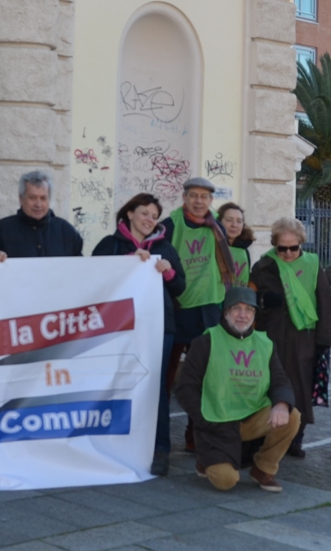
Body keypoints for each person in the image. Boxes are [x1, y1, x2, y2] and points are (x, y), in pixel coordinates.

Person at [92, 193, 187, 475]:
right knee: (117, 384)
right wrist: (128, 263)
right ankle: (112, 445)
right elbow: (94, 278)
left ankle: (160, 449)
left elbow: (180, 287)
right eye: (144, 213)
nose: (149, 220)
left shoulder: (166, 248)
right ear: (130, 213)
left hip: (159, 327)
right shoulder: (109, 245)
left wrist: (168, 272)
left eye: (154, 216)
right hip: (117, 328)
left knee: (155, 388)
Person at [173, 287, 300, 492]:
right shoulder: (205, 342)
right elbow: (185, 389)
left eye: (249, 309)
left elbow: (280, 380)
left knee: (292, 415)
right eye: (236, 309)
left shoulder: (264, 343)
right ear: (225, 313)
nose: (243, 315)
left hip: (251, 418)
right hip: (216, 425)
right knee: (226, 482)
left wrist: (282, 404)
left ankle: (263, 469)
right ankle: (205, 460)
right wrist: (205, 419)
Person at [161, 177, 238, 451]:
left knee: (205, 375)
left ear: (210, 201)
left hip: (208, 308)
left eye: (204, 197)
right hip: (178, 306)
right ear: (184, 198)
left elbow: (238, 244)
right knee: (166, 375)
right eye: (193, 195)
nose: (198, 201)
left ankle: (195, 436)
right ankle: (159, 437)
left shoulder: (217, 225)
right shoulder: (170, 224)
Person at [250, 217, 331, 459]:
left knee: (300, 388)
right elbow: (250, 300)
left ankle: (295, 437)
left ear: (301, 244)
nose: (288, 253)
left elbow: (325, 303)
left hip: (303, 339)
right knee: (267, 387)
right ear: (275, 245)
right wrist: (265, 302)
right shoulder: (264, 266)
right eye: (282, 248)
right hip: (271, 337)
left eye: (293, 247)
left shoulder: (312, 265)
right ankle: (263, 437)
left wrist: (324, 340)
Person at [0, 170, 83, 258]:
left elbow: (79, 269)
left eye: (43, 198)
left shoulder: (66, 231)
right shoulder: (0, 230)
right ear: (21, 199)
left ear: (49, 199)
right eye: (32, 198)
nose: (38, 204)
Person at [217, 202, 254, 286]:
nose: (234, 225)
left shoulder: (244, 250)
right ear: (219, 221)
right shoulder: (212, 245)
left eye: (239, 221)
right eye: (229, 220)